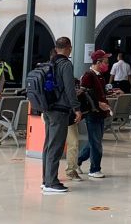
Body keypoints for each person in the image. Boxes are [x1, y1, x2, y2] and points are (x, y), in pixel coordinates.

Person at [41, 37, 82, 194]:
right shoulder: (65, 64)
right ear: (68, 48)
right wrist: (76, 108)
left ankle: (46, 180)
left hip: (48, 109)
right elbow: (70, 89)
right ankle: (52, 182)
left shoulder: (49, 64)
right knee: (56, 146)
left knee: (48, 145)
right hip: (60, 110)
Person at [77, 50, 112, 179]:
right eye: (106, 62)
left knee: (94, 141)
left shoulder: (101, 76)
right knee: (96, 143)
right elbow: (84, 95)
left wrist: (111, 94)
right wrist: (98, 104)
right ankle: (94, 169)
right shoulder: (88, 76)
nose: (107, 65)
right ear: (98, 62)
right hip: (93, 113)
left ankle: (77, 161)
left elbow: (100, 93)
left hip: (101, 113)